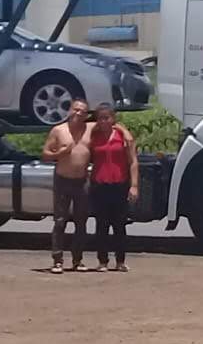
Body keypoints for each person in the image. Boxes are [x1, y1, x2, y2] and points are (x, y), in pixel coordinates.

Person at [40, 99, 92, 274]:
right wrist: (60, 153)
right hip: (63, 179)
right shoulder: (59, 130)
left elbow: (112, 122)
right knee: (60, 221)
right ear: (69, 110)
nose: (79, 113)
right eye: (76, 110)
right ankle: (57, 260)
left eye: (83, 111)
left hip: (82, 181)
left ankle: (77, 260)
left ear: (86, 115)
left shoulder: (90, 130)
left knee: (81, 222)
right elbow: (45, 155)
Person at [88, 103, 140, 272]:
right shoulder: (93, 136)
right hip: (100, 185)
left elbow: (133, 162)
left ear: (113, 118)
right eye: (100, 118)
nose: (103, 121)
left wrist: (134, 185)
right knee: (101, 225)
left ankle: (120, 261)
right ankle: (102, 261)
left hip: (119, 185)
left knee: (119, 225)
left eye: (107, 118)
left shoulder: (123, 138)